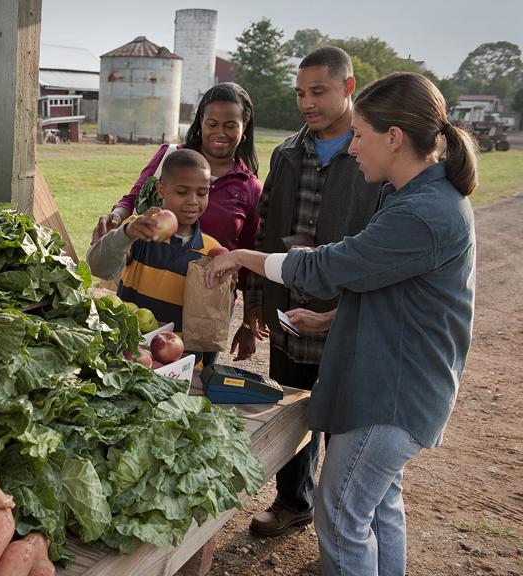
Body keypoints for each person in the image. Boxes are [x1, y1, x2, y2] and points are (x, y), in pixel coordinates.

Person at [205, 71, 477, 576]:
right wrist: (334, 318)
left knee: (341, 515)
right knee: (377, 508)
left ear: (393, 138)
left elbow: (329, 266)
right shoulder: (416, 198)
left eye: (360, 135)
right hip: (398, 385)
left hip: (389, 395)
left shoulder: (421, 212)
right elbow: (393, 288)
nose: (353, 149)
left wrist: (243, 255)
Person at [238, 46, 382, 538]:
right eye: (300, 93)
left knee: (343, 418)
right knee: (293, 410)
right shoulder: (286, 153)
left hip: (347, 314)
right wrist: (256, 298)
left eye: (317, 91)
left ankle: (342, 520)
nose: (306, 103)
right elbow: (263, 231)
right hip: (287, 309)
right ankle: (292, 501)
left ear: (348, 87)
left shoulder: (373, 154)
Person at [91, 82, 262, 321]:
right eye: (212, 124)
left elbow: (250, 251)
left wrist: (249, 316)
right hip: (147, 284)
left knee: (199, 358)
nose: (220, 133)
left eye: (230, 126)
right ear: (200, 123)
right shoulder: (170, 157)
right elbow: (133, 197)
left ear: (245, 128)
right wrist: (118, 218)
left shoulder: (250, 187)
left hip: (205, 303)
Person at [86, 149, 220, 342]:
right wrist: (126, 233)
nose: (193, 201)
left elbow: (212, 315)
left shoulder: (211, 250)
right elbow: (98, 267)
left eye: (202, 193)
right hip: (128, 348)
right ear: (161, 190)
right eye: (182, 192)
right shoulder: (138, 230)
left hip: (178, 358)